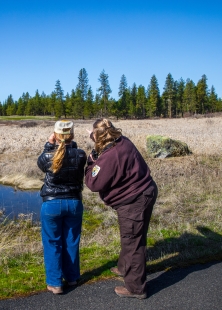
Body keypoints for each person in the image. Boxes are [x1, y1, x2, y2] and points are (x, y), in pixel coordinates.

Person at [84, 118, 158, 299]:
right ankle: (125, 267)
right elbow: (107, 150)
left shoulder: (110, 156)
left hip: (133, 201)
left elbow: (93, 183)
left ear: (98, 135)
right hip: (145, 192)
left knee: (133, 242)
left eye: (94, 134)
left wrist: (90, 163)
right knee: (133, 237)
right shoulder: (122, 141)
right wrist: (97, 145)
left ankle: (136, 288)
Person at [37, 120, 87, 294]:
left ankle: (55, 283)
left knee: (52, 243)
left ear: (55, 135)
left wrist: (48, 144)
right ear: (72, 135)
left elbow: (41, 163)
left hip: (51, 204)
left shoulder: (47, 156)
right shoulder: (81, 154)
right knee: (71, 241)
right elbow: (75, 159)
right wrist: (70, 144)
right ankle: (72, 278)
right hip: (74, 202)